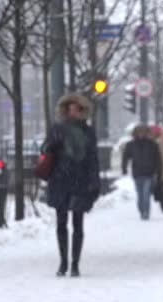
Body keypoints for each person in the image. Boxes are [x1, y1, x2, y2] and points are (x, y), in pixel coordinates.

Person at [43, 93, 100, 278]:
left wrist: (94, 179)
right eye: (69, 108)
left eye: (76, 108)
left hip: (80, 181)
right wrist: (53, 143)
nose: (73, 112)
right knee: (61, 223)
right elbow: (45, 149)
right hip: (60, 180)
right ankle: (63, 262)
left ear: (82, 111)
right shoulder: (57, 129)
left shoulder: (88, 131)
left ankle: (75, 264)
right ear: (65, 110)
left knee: (78, 223)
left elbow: (92, 157)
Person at [122, 124, 161, 220]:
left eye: (143, 132)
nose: (141, 134)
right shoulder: (131, 145)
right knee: (140, 194)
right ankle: (141, 209)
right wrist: (124, 168)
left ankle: (146, 212)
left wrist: (158, 171)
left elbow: (158, 159)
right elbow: (125, 157)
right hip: (137, 173)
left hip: (149, 173)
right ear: (135, 133)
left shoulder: (152, 144)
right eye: (139, 132)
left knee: (146, 193)